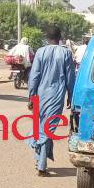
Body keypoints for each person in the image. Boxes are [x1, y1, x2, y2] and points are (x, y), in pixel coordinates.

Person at [27, 24, 75, 175]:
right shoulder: (66, 53)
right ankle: (41, 165)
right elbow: (70, 78)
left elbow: (34, 76)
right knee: (47, 129)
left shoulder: (41, 52)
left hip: (40, 95)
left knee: (42, 127)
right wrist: (71, 96)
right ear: (60, 38)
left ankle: (39, 159)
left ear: (47, 38)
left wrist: (31, 96)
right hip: (56, 95)